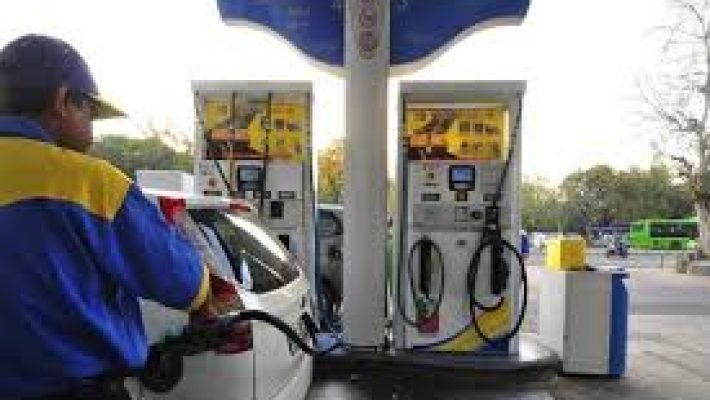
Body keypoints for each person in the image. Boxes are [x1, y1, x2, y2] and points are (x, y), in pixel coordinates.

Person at [0, 34, 210, 399]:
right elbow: (184, 281)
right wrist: (206, 297)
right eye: (90, 112)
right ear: (63, 101)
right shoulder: (90, 182)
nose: (93, 131)